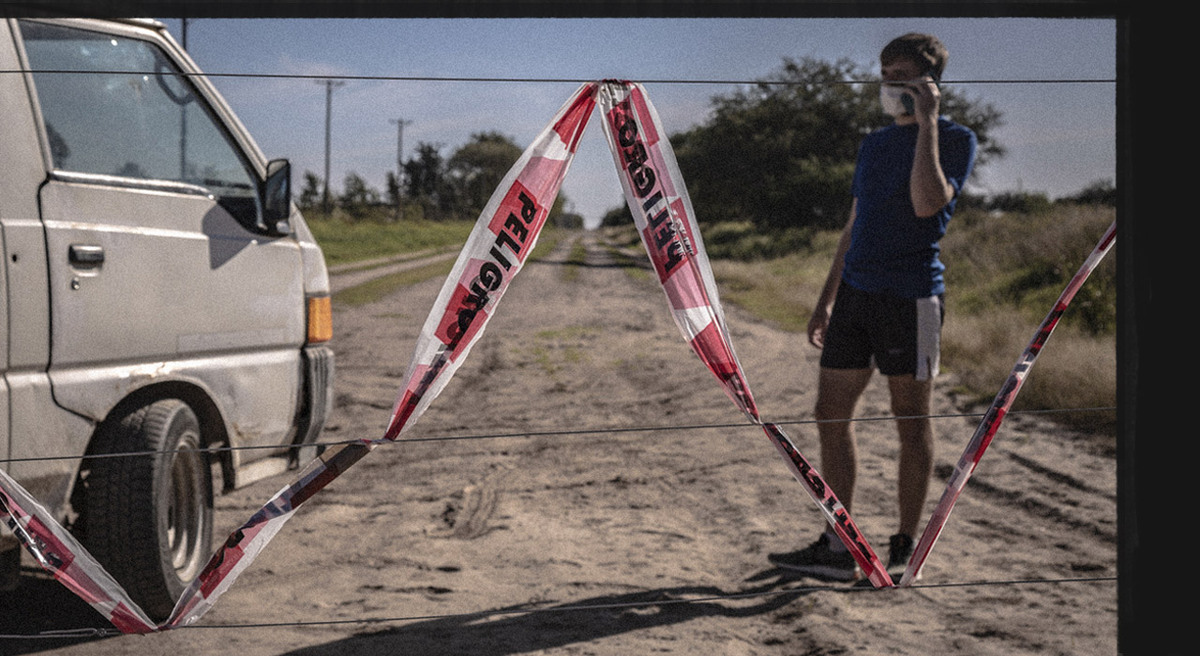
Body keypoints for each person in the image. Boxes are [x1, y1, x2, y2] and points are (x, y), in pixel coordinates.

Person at [769, 33, 977, 582]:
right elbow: (854, 225)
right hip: (857, 295)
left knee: (911, 421)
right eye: (884, 74)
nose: (889, 84)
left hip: (914, 297)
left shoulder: (956, 139)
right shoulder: (873, 144)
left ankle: (906, 545)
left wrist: (927, 123)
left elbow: (926, 202)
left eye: (902, 75)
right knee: (828, 416)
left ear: (929, 81)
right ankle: (840, 545)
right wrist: (825, 300)